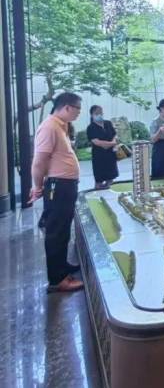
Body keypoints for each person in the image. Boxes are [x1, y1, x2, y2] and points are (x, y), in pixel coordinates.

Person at [29, 92, 84, 293]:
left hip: (65, 186)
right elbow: (39, 161)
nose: (79, 113)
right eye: (78, 109)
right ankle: (58, 279)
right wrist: (37, 187)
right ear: (67, 107)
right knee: (56, 231)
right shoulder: (49, 127)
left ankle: (62, 266)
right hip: (58, 186)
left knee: (63, 229)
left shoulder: (62, 126)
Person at [86, 105, 119, 189]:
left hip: (110, 155)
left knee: (110, 178)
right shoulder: (91, 127)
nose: (99, 115)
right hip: (99, 157)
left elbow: (114, 135)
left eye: (101, 113)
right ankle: (98, 192)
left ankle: (108, 190)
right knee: (99, 180)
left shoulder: (108, 123)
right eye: (96, 113)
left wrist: (113, 142)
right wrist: (112, 143)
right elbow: (96, 142)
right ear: (92, 115)